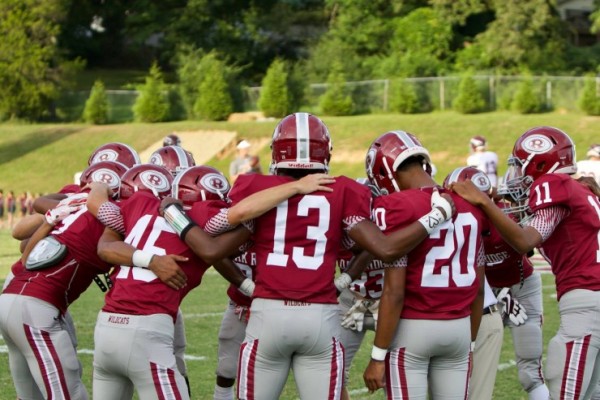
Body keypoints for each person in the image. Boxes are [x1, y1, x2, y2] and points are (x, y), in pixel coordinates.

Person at [172, 113, 454, 400]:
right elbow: (376, 247)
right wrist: (436, 216)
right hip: (320, 317)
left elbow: (213, 227)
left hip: (269, 314)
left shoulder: (255, 187)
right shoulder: (343, 189)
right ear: (325, 150)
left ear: (277, 149)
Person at [450, 126, 600, 400]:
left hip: (585, 302)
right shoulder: (581, 189)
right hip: (592, 299)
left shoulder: (552, 183)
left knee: (563, 387)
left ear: (540, 161)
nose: (518, 176)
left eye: (520, 166)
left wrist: (483, 202)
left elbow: (524, 241)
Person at [362, 131, 486, 399]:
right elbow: (478, 289)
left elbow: (394, 292)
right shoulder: (470, 204)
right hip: (460, 330)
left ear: (384, 172)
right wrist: (471, 345)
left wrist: (377, 355)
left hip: (414, 330)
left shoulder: (395, 204)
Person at [0, 161, 129, 399]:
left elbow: (25, 251)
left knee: (31, 396)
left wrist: (50, 220)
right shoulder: (109, 217)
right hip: (36, 309)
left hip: (11, 298)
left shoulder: (69, 212)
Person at [444, 166, 543, 399]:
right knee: (465, 369)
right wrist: (497, 296)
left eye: (485, 199)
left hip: (521, 286)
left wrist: (506, 294)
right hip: (484, 295)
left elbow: (525, 247)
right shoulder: (452, 228)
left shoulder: (503, 222)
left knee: (530, 372)